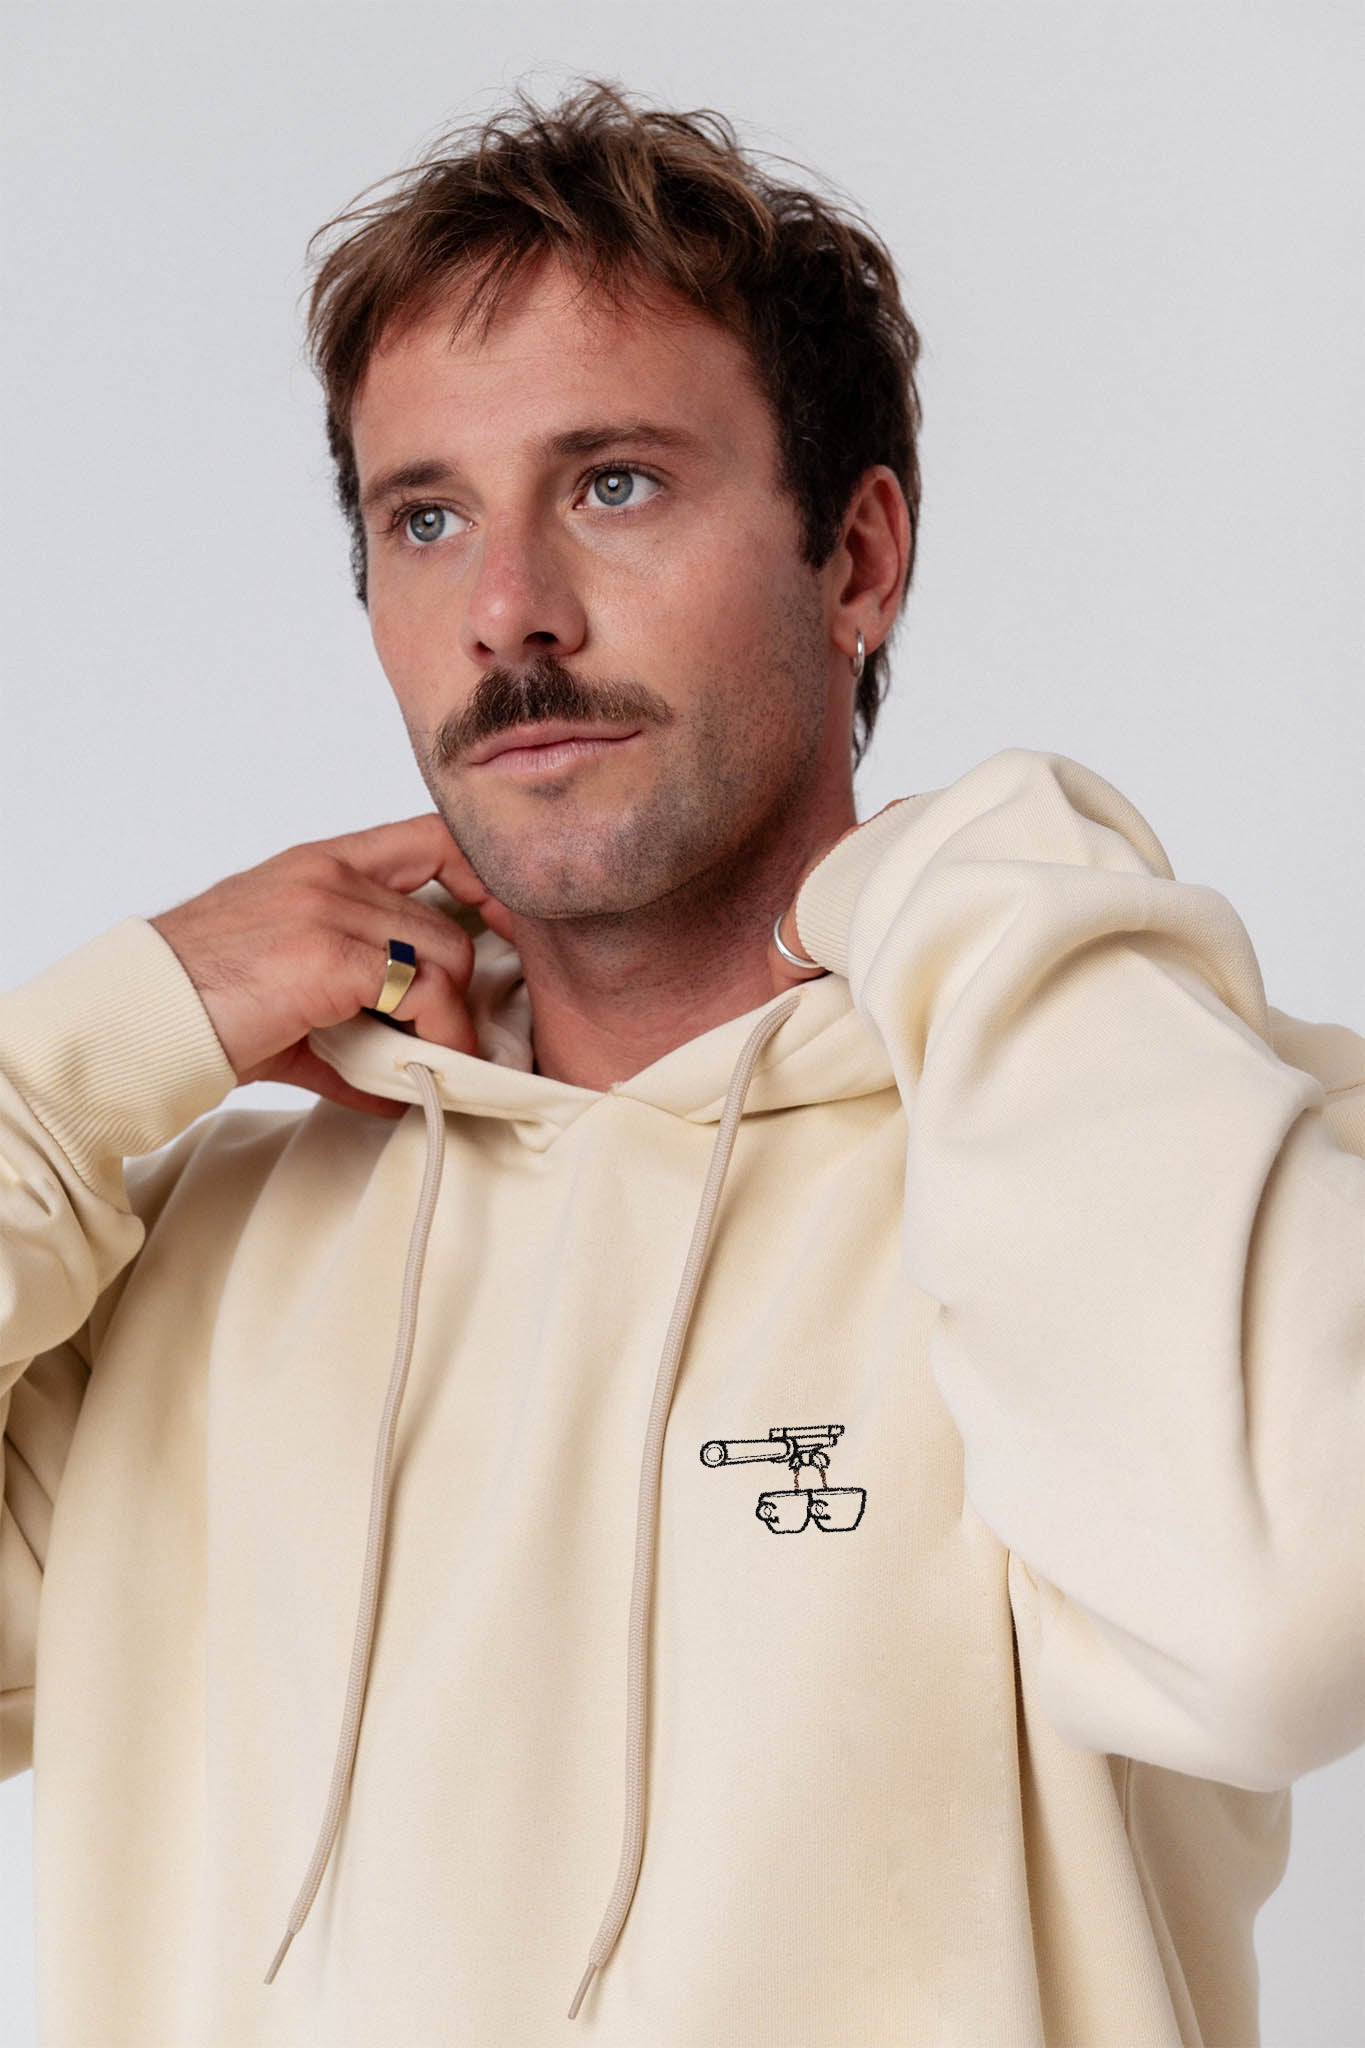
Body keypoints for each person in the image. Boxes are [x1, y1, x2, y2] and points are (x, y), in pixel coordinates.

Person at [1, 76, 1361, 2048]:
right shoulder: (194, 1269)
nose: (508, 614)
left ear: (856, 559)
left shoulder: (1157, 1136)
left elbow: (1282, 1626)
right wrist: (91, 1047)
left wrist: (980, 875)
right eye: (424, 517)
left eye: (614, 484)